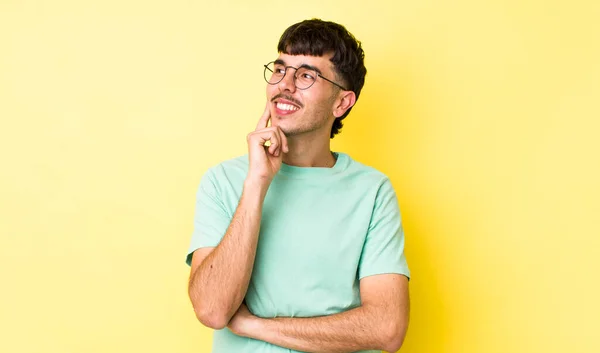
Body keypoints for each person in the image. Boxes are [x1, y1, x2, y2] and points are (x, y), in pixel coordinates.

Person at [186, 18, 410, 353]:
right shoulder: (223, 181)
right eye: (280, 69)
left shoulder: (372, 191)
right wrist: (257, 183)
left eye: (306, 74)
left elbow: (386, 327)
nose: (284, 85)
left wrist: (252, 325)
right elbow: (212, 309)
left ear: (342, 103)